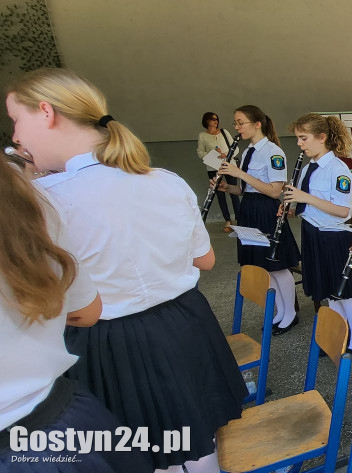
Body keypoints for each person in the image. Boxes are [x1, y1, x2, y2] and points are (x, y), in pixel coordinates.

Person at [7, 67, 246, 472]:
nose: (15, 136)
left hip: (108, 338)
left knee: (145, 451)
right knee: (198, 438)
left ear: (46, 112)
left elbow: (58, 303)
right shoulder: (165, 180)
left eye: (16, 119)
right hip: (188, 322)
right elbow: (205, 260)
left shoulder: (41, 200)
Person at [0, 161, 152, 471]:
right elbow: (86, 309)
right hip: (60, 419)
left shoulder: (40, 195)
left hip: (39, 433)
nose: (15, 137)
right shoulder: (25, 194)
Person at [282, 113, 352, 357]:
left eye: (303, 138)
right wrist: (292, 206)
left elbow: (343, 211)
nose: (299, 144)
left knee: (346, 293)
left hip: (334, 238)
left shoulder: (338, 169)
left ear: (321, 137)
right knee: (330, 292)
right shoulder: (309, 167)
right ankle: (339, 336)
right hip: (312, 233)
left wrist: (305, 197)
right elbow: (311, 204)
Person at [216, 105, 301, 335]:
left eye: (240, 122)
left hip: (266, 210)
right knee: (263, 266)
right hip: (250, 209)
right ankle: (281, 311)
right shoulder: (247, 152)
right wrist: (228, 188)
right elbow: (247, 189)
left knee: (278, 266)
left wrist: (240, 173)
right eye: (235, 123)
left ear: (257, 124)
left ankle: (291, 314)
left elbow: (274, 191)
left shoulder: (273, 152)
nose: (237, 127)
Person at [197, 111, 240, 232]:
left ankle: (239, 219)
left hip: (228, 165)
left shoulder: (224, 132)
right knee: (219, 194)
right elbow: (200, 152)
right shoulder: (202, 135)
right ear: (206, 121)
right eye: (212, 119)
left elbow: (235, 148)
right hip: (213, 167)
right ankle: (228, 220)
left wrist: (225, 154)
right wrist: (212, 155)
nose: (215, 121)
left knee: (234, 192)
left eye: (217, 119)